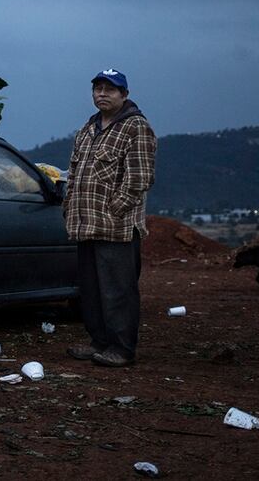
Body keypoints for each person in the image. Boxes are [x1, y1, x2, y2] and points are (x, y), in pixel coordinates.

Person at [62, 68, 157, 367]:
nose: (102, 94)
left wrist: (115, 210)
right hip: (85, 225)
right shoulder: (87, 129)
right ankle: (99, 342)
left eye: (110, 89)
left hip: (117, 228)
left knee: (118, 291)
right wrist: (69, 206)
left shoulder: (136, 127)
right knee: (90, 291)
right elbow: (74, 172)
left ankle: (121, 348)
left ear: (124, 95)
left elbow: (140, 179)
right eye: (98, 88)